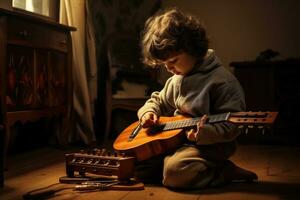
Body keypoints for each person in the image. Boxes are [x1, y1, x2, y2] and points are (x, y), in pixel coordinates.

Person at [135, 8, 257, 189]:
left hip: (210, 147)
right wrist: (148, 112)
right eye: (164, 64)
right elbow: (157, 101)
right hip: (177, 143)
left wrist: (204, 133)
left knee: (174, 174)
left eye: (173, 61)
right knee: (135, 167)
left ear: (193, 49)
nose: (168, 68)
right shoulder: (176, 80)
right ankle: (173, 166)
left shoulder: (223, 81)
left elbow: (232, 125)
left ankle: (223, 171)